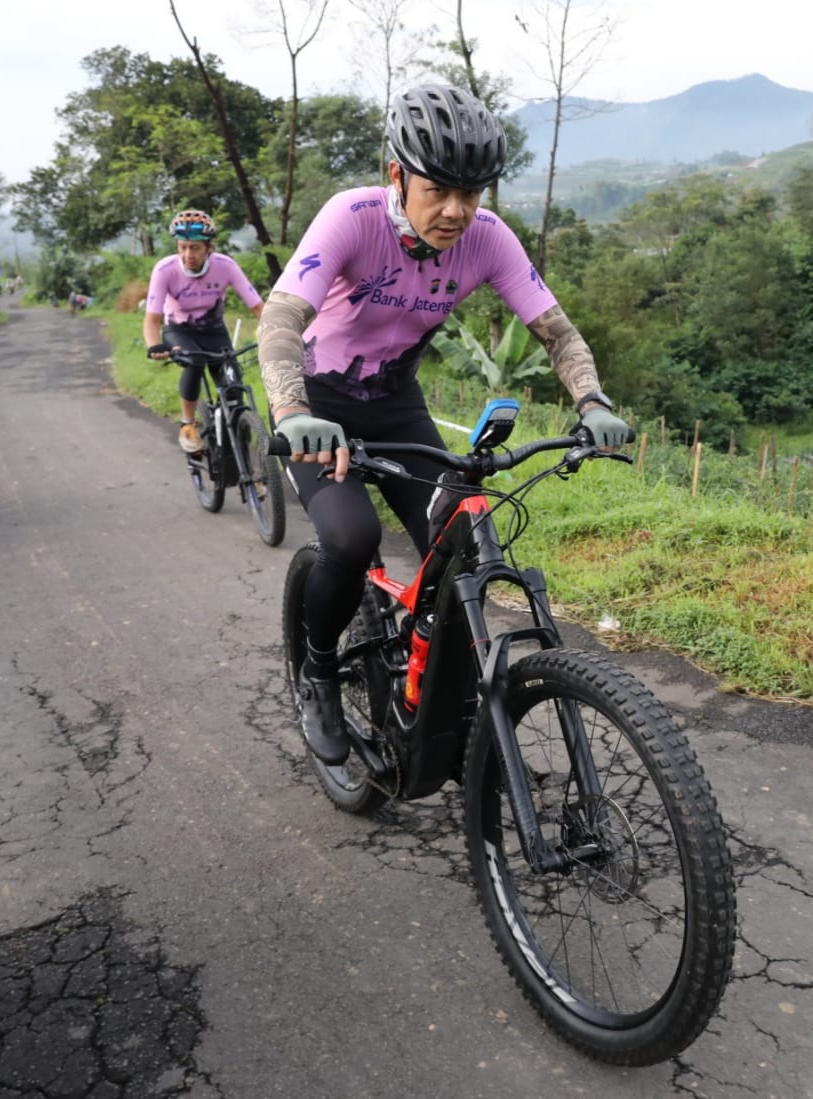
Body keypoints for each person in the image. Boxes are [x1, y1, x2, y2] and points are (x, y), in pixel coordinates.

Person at [258, 83, 633, 765]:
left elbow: (557, 332)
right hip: (320, 405)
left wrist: (593, 402)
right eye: (438, 190)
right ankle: (317, 671)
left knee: (465, 528)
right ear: (396, 175)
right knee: (351, 535)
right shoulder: (352, 217)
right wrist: (293, 412)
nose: (457, 210)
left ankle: (428, 673)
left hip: (397, 403)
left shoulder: (486, 239)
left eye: (473, 192)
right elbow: (281, 319)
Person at [144, 210, 266, 453]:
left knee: (234, 394)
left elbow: (257, 307)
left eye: (195, 248)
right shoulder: (165, 269)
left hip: (214, 331)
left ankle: (248, 468)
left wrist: (274, 333)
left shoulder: (226, 266)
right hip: (179, 330)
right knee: (195, 360)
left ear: (209, 247)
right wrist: (153, 345)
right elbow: (153, 319)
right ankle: (188, 424)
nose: (188, 255)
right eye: (183, 247)